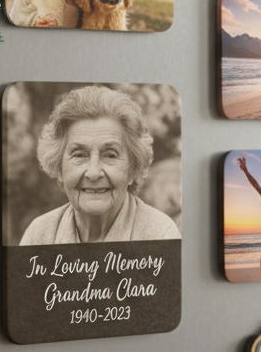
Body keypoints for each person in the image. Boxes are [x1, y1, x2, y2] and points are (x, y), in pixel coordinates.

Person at [19, 85, 180, 244]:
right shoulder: (39, 235)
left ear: (133, 169)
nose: (94, 173)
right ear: (59, 168)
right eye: (79, 155)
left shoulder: (159, 234)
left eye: (110, 155)